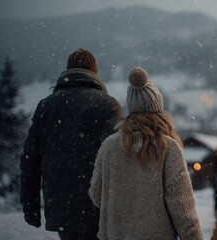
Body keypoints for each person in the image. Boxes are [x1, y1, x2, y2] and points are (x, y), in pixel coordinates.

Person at [88, 67, 203, 240]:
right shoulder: (167, 147)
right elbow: (182, 209)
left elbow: (96, 195)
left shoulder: (108, 146)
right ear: (158, 109)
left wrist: (123, 207)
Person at [20, 48, 122, 240]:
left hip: (59, 206)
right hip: (96, 208)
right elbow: (116, 159)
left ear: (68, 71)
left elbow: (29, 159)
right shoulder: (107, 105)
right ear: (94, 73)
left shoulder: (46, 106)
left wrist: (30, 207)